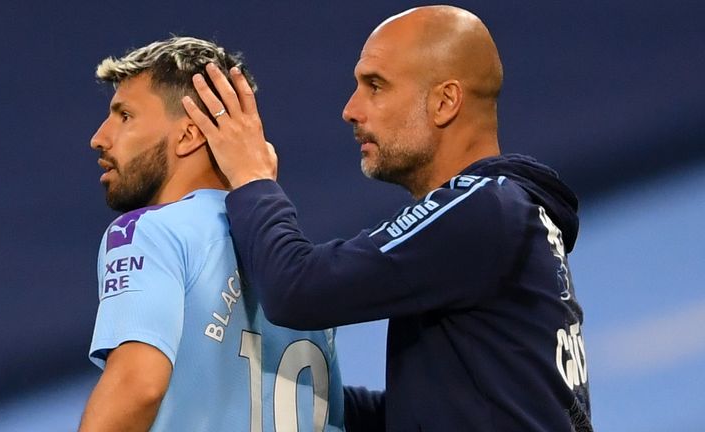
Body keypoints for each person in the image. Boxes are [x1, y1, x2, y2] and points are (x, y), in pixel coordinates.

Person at [181, 5, 593, 432]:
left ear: (445, 101)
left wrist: (251, 177)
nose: (351, 109)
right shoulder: (502, 214)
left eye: (375, 86)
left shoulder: (482, 212)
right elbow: (438, 412)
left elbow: (297, 289)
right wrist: (272, 398)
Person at [79, 37, 344, 432]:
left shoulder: (149, 232)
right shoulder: (286, 256)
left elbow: (137, 386)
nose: (99, 137)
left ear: (188, 136)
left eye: (125, 116)